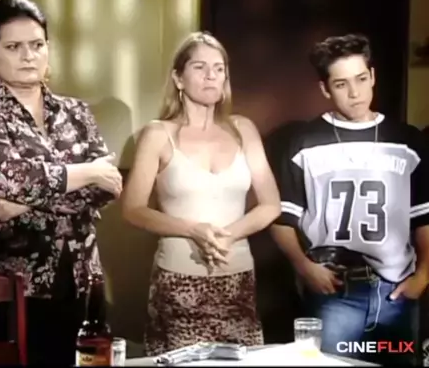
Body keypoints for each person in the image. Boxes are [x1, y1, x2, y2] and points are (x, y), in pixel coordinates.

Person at [0, 0, 122, 364]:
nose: (28, 56)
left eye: (37, 45)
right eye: (14, 47)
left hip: (77, 282)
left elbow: (107, 187)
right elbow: (7, 175)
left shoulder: (76, 112)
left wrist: (21, 203)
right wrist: (87, 171)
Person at [270, 34, 429, 365]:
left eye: (361, 79)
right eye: (341, 84)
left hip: (397, 291)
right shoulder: (305, 143)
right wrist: (304, 268)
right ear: (325, 89)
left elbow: (423, 217)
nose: (355, 93)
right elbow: (281, 217)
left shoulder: (407, 141)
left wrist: (424, 275)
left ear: (373, 76)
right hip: (335, 292)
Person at [121, 31, 281, 356]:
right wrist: (194, 230)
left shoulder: (243, 129)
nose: (211, 75)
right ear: (178, 78)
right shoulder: (158, 134)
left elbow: (271, 205)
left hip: (238, 281)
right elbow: (133, 209)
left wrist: (226, 235)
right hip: (179, 281)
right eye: (200, 67)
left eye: (219, 68)